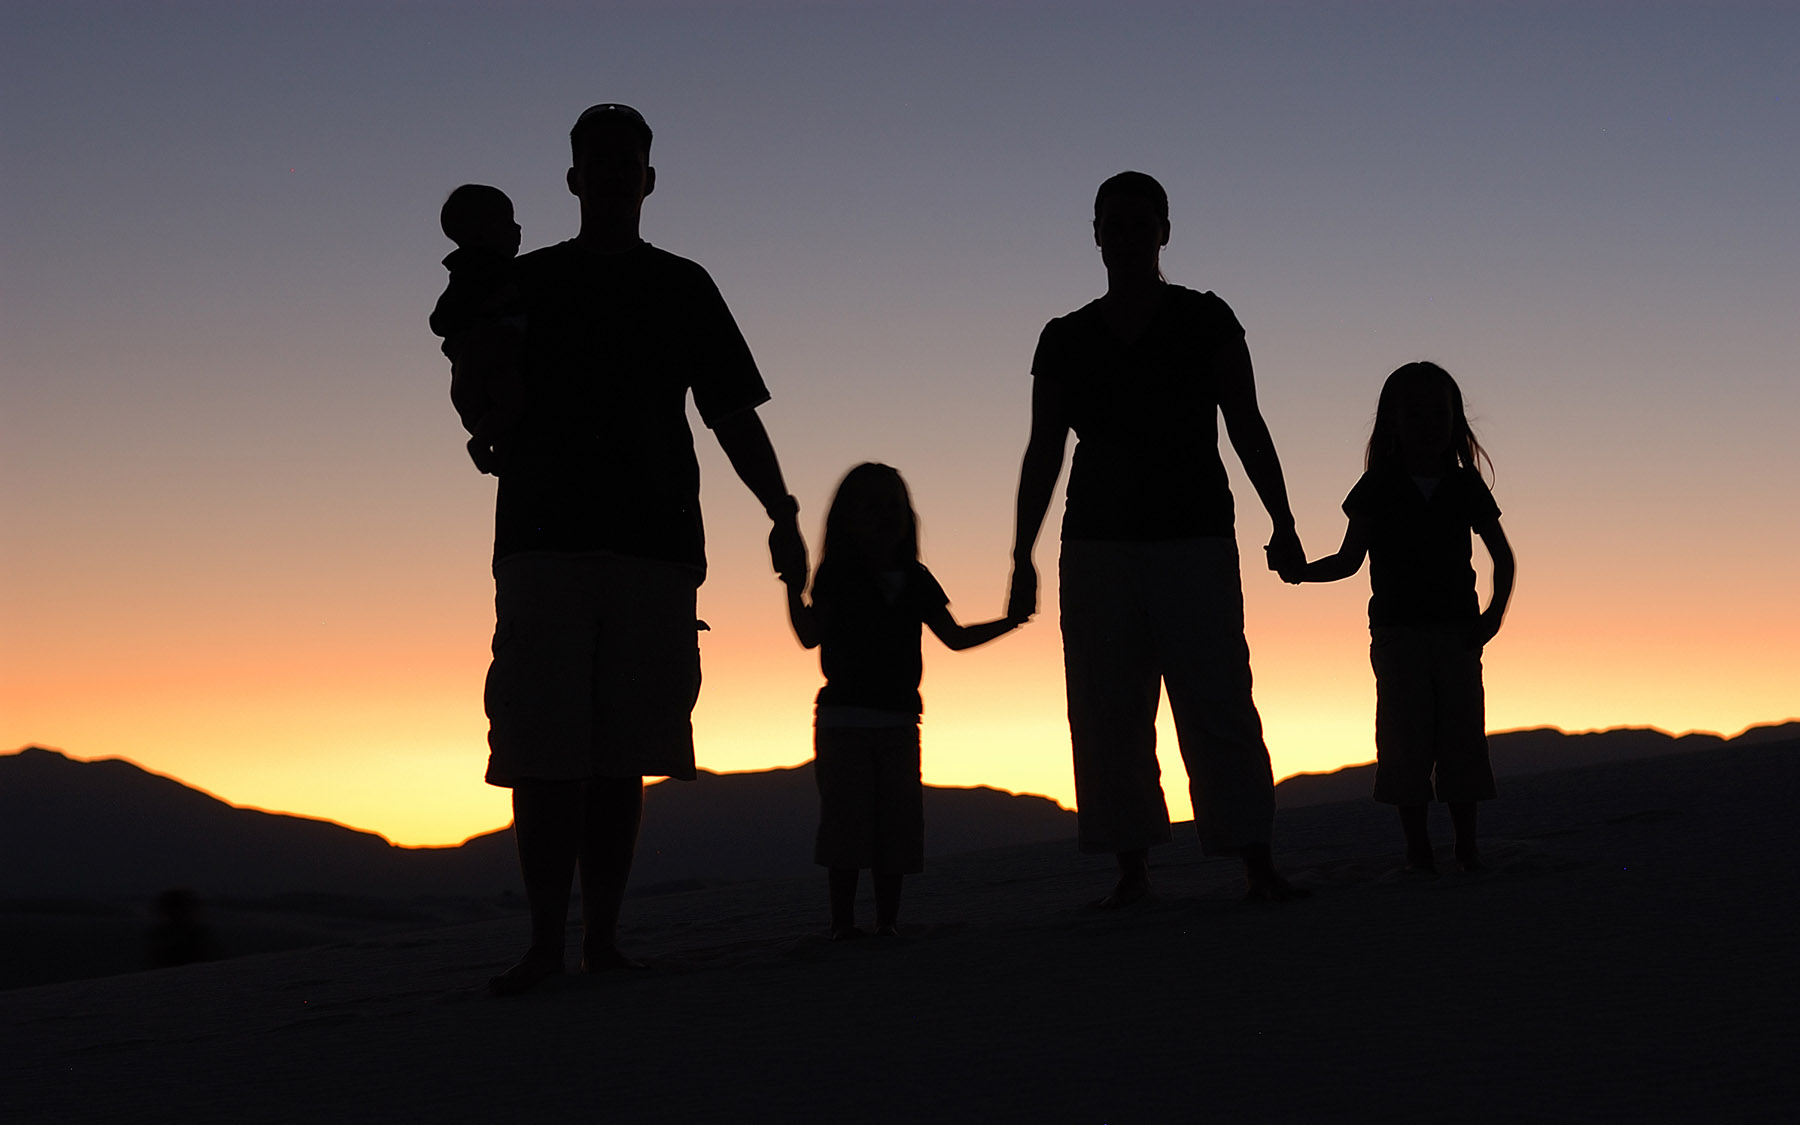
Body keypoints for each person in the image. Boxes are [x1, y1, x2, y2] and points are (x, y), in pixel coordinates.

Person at [440, 103, 809, 995]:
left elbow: (730, 411)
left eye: (624, 161)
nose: (609, 175)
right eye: (595, 161)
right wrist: (481, 422)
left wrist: (781, 507)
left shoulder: (682, 285)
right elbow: (472, 369)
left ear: (647, 178)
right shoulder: (524, 282)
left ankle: (597, 939)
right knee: (543, 746)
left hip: (649, 541)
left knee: (618, 753)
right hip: (544, 536)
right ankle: (545, 941)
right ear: (574, 179)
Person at [1006, 171, 1308, 906]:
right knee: (1108, 709)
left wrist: (1284, 519)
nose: (1129, 234)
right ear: (1097, 233)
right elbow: (1044, 447)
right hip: (1098, 544)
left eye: (1143, 221)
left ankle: (1255, 859)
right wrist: (1022, 554)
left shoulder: (1205, 319)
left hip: (1194, 536)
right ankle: (1131, 869)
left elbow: (1246, 422)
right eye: (1116, 222)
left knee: (1218, 697)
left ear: (1164, 231)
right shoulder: (1066, 338)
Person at [1281, 361, 1515, 872]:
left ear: (1455, 419)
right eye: (1415, 413)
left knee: (1461, 737)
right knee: (1405, 741)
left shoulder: (1464, 485)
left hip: (1457, 631)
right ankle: (1418, 850)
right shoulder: (1379, 485)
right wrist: (1301, 572)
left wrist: (1493, 616)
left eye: (1438, 411)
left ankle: (1466, 847)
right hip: (1399, 633)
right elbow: (1349, 560)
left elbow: (1503, 554)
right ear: (1393, 421)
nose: (1428, 422)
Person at [783, 464, 1025, 939]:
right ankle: (845, 926)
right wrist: (792, 587)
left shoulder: (913, 578)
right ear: (848, 518)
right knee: (850, 823)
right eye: (869, 508)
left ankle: (883, 924)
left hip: (895, 721)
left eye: (888, 508)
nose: (881, 519)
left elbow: (952, 638)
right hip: (847, 720)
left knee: (892, 823)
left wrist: (1009, 621)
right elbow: (812, 635)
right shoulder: (839, 575)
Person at [429, 183, 526, 474]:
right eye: (508, 221)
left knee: (514, 404)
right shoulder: (476, 272)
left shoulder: (502, 271)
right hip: (488, 361)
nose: (518, 228)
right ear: (482, 232)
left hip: (495, 359)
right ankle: (482, 442)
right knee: (515, 404)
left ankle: (487, 439)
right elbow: (440, 320)